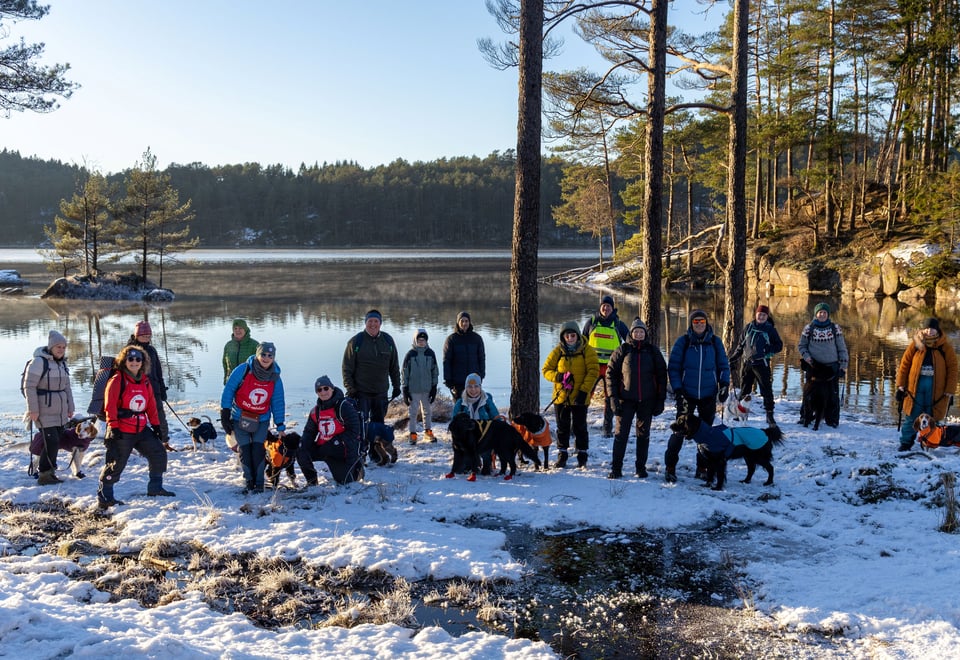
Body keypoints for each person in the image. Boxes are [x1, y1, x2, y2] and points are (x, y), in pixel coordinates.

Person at [97, 345, 174, 509]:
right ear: (124, 361)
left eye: (138, 359)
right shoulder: (117, 380)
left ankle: (155, 488)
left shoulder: (145, 381)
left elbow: (151, 405)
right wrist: (113, 426)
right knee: (116, 463)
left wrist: (156, 426)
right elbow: (110, 406)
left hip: (140, 428)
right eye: (130, 359)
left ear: (143, 362)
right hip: (121, 428)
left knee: (158, 452)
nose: (134, 362)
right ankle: (105, 497)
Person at [665, 309, 731, 483]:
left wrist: (724, 385)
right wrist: (678, 390)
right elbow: (673, 368)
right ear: (691, 324)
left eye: (702, 321)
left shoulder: (715, 342)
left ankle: (702, 468)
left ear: (706, 323)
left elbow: (724, 366)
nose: (699, 325)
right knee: (679, 431)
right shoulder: (683, 342)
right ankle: (670, 467)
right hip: (687, 394)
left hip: (708, 395)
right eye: (696, 322)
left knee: (706, 435)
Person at [221, 342, 287, 493]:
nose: (266, 358)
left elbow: (277, 402)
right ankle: (249, 481)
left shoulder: (275, 377)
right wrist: (225, 413)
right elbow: (229, 390)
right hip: (239, 417)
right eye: (263, 354)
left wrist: (280, 425)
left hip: (261, 420)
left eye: (270, 355)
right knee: (245, 451)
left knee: (258, 451)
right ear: (257, 354)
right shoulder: (243, 370)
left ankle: (259, 484)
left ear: (273, 358)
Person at [605, 318, 667, 479]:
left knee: (643, 436)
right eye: (636, 332)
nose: (638, 334)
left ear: (645, 334)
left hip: (647, 400)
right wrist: (613, 398)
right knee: (620, 436)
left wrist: (660, 400)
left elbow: (662, 376)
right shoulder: (623, 350)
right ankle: (616, 468)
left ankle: (640, 468)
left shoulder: (653, 351)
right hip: (625, 400)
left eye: (641, 332)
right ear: (631, 334)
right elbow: (610, 374)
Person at [542, 321, 600, 469]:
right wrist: (559, 377)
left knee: (580, 427)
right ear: (563, 337)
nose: (570, 338)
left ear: (578, 335)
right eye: (567, 335)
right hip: (562, 396)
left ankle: (582, 454)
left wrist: (583, 391)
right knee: (562, 427)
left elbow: (593, 371)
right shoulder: (558, 351)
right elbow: (546, 369)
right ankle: (562, 454)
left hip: (580, 396)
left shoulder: (587, 350)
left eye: (573, 335)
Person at [896, 318, 958, 451]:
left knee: (932, 415)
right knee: (913, 415)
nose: (929, 331)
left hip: (937, 388)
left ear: (937, 330)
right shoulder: (915, 344)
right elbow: (905, 364)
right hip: (915, 387)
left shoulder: (944, 346)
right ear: (923, 329)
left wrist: (950, 389)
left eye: (932, 329)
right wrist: (901, 384)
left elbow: (953, 368)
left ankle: (931, 442)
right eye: (927, 328)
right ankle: (906, 442)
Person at [24, 330, 75, 485]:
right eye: (58, 346)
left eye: (63, 347)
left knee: (56, 441)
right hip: (43, 410)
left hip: (60, 411)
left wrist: (70, 407)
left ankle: (49, 472)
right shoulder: (39, 362)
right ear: (51, 347)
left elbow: (67, 387)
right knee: (51, 441)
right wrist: (33, 409)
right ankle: (45, 475)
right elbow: (29, 386)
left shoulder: (62, 363)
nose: (61, 349)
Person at [297, 375, 364, 485]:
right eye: (319, 390)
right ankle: (312, 482)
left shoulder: (344, 407)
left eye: (326, 388)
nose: (323, 392)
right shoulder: (315, 411)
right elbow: (309, 432)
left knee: (346, 481)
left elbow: (354, 431)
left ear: (332, 388)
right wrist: (303, 443)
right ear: (317, 393)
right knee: (300, 451)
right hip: (324, 448)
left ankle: (357, 466)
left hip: (342, 450)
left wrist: (335, 442)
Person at [728, 304, 784, 427]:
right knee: (744, 390)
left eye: (764, 315)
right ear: (756, 314)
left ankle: (769, 415)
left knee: (766, 390)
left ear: (767, 316)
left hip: (761, 364)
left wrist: (767, 351)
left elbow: (779, 345)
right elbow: (740, 346)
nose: (761, 316)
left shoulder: (770, 330)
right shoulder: (749, 328)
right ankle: (741, 413)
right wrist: (733, 359)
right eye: (760, 314)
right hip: (748, 363)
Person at [582, 295, 630, 438]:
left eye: (608, 306)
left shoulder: (618, 324)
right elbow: (582, 341)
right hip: (593, 366)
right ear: (600, 307)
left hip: (611, 368)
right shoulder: (591, 322)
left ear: (612, 308)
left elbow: (629, 342)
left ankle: (607, 428)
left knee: (610, 398)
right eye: (603, 305)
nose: (606, 308)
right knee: (585, 395)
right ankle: (578, 424)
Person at [342, 309, 401, 425]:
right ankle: (363, 443)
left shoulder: (388, 341)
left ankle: (376, 443)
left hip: (381, 392)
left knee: (378, 424)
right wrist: (351, 389)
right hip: (361, 392)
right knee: (360, 423)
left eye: (376, 321)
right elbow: (346, 369)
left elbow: (394, 366)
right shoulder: (356, 342)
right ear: (365, 322)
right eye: (370, 321)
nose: (373, 324)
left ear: (380, 323)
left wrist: (396, 386)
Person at [798, 302, 849, 428]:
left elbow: (842, 347)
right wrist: (807, 357)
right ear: (816, 314)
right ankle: (806, 417)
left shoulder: (835, 328)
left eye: (824, 313)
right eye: (820, 312)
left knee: (832, 395)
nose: (822, 315)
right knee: (809, 394)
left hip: (831, 367)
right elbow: (802, 346)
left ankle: (832, 420)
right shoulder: (809, 328)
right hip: (813, 367)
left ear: (828, 314)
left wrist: (843, 364)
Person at [127, 320, 173, 451]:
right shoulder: (130, 351)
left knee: (160, 417)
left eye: (148, 336)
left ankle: (164, 441)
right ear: (137, 335)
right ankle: (133, 444)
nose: (147, 339)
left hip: (154, 389)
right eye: (144, 336)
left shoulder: (152, 350)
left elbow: (158, 371)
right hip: (136, 391)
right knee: (134, 418)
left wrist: (162, 388)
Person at [451, 372, 500, 474]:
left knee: (486, 469)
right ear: (466, 388)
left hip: (484, 437)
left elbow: (497, 420)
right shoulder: (460, 403)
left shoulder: (487, 402)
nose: (473, 390)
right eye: (470, 387)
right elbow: (454, 423)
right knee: (463, 469)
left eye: (476, 386)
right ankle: (470, 462)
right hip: (467, 440)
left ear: (480, 387)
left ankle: (487, 463)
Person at [402, 328, 439, 443]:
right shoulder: (410, 354)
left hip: (427, 389)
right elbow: (404, 373)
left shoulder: (430, 353)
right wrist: (405, 389)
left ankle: (428, 431)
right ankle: (412, 434)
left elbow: (435, 371)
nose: (421, 342)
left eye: (423, 340)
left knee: (427, 411)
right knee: (412, 413)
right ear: (415, 340)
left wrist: (434, 388)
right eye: (419, 340)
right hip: (413, 390)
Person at [443, 311, 485, 402]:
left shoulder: (477, 338)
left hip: (474, 379)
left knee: (474, 406)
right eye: (462, 321)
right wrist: (448, 379)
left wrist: (481, 375)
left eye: (466, 321)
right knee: (459, 407)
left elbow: (481, 358)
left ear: (469, 322)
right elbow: (447, 360)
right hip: (457, 380)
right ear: (458, 323)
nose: (464, 323)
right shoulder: (451, 339)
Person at [222, 319, 258, 384]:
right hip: (231, 382)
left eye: (240, 328)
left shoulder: (254, 345)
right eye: (235, 328)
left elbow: (260, 366)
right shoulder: (228, 345)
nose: (237, 330)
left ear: (245, 329)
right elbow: (225, 364)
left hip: (248, 383)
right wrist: (225, 380)